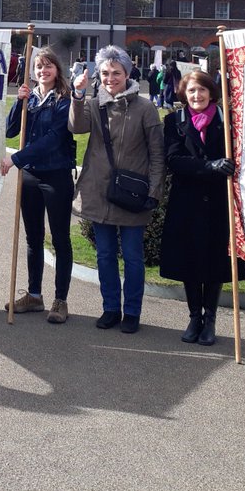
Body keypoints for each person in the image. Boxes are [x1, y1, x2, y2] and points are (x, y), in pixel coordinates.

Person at [70, 45, 165, 333]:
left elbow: (158, 154)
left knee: (134, 257)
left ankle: (132, 311)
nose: (111, 78)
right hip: (99, 191)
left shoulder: (145, 108)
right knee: (105, 255)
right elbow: (76, 128)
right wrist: (77, 95)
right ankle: (110, 307)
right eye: (105, 73)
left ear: (127, 74)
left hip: (132, 194)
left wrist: (154, 192)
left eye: (116, 73)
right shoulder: (94, 104)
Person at [161, 70, 245, 346]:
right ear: (184, 95)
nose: (196, 96)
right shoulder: (175, 121)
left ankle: (210, 319)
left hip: (218, 202)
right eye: (191, 91)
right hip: (186, 202)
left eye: (201, 90)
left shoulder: (227, 121)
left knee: (215, 262)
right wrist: (209, 166)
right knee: (190, 261)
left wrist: (230, 164)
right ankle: (194, 317)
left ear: (211, 92)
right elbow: (174, 160)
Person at [1, 48, 76, 324]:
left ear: (57, 69)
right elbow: (11, 130)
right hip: (31, 177)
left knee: (59, 238)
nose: (42, 71)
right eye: (38, 67)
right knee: (33, 238)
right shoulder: (30, 98)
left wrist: (16, 159)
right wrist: (18, 103)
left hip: (56, 175)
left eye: (48, 66)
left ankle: (60, 300)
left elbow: (55, 139)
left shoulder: (64, 101)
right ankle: (34, 295)